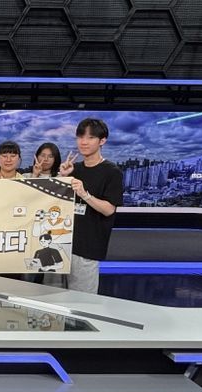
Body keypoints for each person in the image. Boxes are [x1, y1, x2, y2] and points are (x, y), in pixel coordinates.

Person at [59, 118, 124, 294]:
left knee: (81, 303)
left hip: (86, 248)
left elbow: (109, 209)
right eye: (80, 137)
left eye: (90, 137)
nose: (84, 142)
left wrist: (85, 194)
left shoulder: (112, 172)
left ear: (102, 141)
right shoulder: (74, 169)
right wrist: (62, 177)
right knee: (54, 300)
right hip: (60, 245)